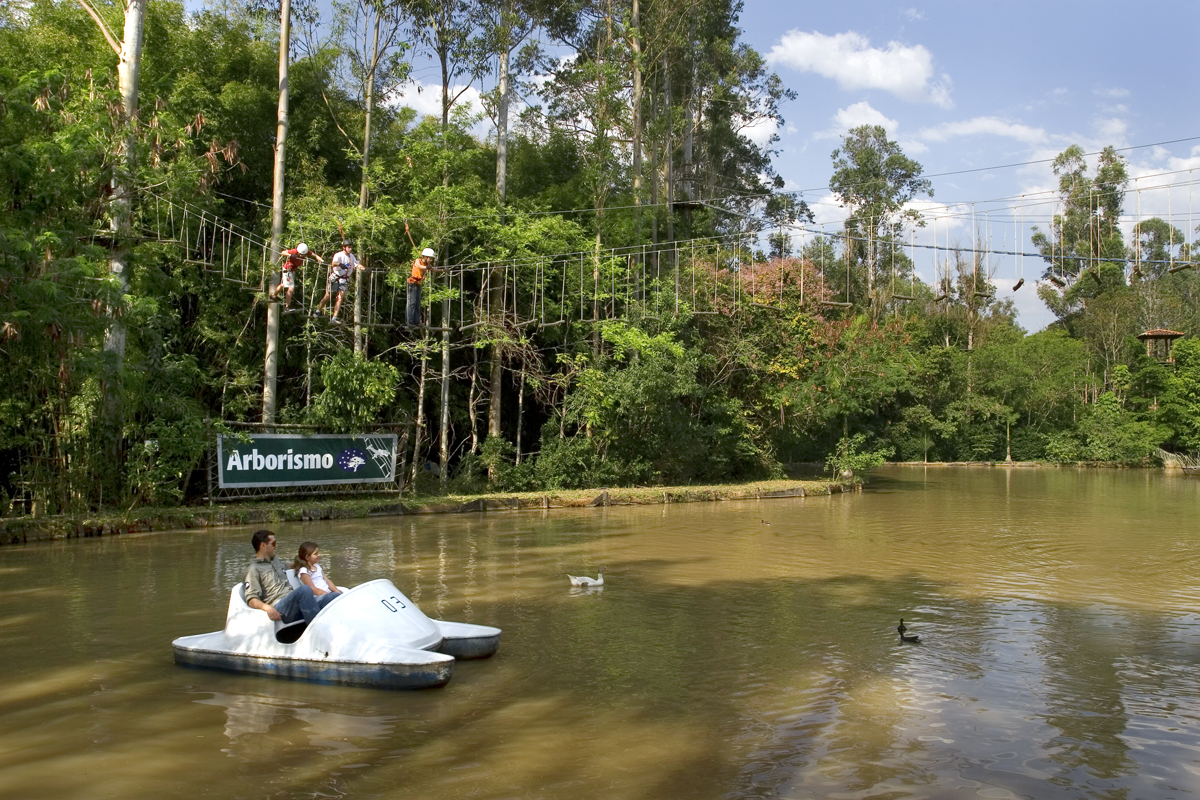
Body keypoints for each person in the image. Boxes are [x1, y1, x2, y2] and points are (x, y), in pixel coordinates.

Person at [244, 529, 338, 624]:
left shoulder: (276, 561)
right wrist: (267, 608)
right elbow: (251, 599)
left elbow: (294, 564)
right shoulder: (253, 569)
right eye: (273, 543)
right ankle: (317, 630)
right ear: (263, 545)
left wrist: (308, 561)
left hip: (295, 602)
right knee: (305, 589)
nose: (276, 546)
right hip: (280, 607)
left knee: (334, 597)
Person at [314, 241, 364, 322]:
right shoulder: (338, 255)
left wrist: (363, 267)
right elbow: (333, 263)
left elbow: (356, 264)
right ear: (344, 247)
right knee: (328, 296)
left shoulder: (351, 256)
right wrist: (340, 264)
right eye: (349, 247)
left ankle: (334, 317)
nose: (350, 249)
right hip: (335, 277)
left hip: (344, 279)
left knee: (340, 298)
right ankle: (318, 310)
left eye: (351, 247)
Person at [404, 222, 440, 327]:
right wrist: (426, 267)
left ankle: (416, 321)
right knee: (411, 302)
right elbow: (419, 266)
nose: (431, 260)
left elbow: (433, 270)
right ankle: (410, 321)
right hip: (412, 283)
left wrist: (444, 270)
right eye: (430, 258)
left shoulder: (426, 264)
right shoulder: (418, 260)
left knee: (417, 303)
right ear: (426, 257)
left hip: (418, 284)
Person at [270, 242, 324, 311]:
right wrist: (290, 255)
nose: (301, 256)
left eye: (303, 255)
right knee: (291, 288)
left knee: (284, 284)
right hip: (287, 269)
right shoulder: (294, 251)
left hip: (292, 270)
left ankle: (274, 295)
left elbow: (315, 255)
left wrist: (321, 260)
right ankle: (287, 307)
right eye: (300, 254)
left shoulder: (307, 251)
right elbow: (283, 252)